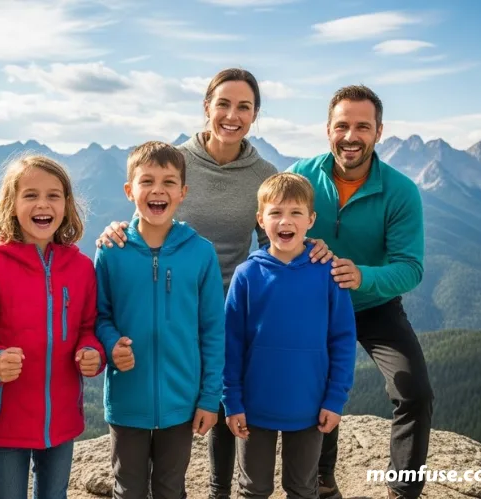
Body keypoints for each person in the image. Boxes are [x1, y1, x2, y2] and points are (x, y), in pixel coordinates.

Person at [95, 68, 333, 499]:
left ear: (255, 114)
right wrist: (115, 229)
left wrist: (314, 252)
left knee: (227, 401)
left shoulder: (263, 172)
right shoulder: (178, 160)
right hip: (175, 302)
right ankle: (218, 487)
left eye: (244, 107)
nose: (232, 114)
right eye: (223, 103)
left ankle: (221, 490)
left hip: (238, 300)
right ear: (207, 107)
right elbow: (149, 208)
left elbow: (273, 235)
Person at [287, 85, 432, 499]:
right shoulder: (301, 175)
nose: (351, 136)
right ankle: (321, 480)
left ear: (379, 131)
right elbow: (271, 233)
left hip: (375, 304)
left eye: (362, 127)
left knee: (414, 392)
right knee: (316, 391)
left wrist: (362, 277)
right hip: (317, 304)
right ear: (327, 129)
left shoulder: (401, 191)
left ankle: (402, 490)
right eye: (342, 125)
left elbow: (411, 267)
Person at [0, 154, 107, 499]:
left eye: (53, 195)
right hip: (3, 420)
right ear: (11, 204)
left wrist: (92, 352)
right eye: (30, 195)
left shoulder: (81, 268)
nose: (43, 204)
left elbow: (88, 327)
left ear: (67, 205)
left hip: (63, 419)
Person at [94, 141, 225, 499]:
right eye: (147, 180)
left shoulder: (201, 253)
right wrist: (110, 344)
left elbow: (213, 330)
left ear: (183, 192)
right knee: (128, 488)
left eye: (169, 182)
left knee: (171, 488)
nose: (157, 190)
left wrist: (209, 397)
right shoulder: (110, 251)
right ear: (129, 190)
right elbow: (99, 315)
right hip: (127, 399)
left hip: (181, 401)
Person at [223, 172, 357, 499]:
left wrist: (335, 398)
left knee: (302, 488)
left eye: (296, 213)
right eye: (276, 213)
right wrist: (232, 401)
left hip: (309, 408)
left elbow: (342, 340)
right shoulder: (246, 275)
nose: (286, 221)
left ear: (311, 220)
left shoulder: (328, 274)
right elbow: (231, 344)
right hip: (254, 408)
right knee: (253, 489)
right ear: (261, 220)